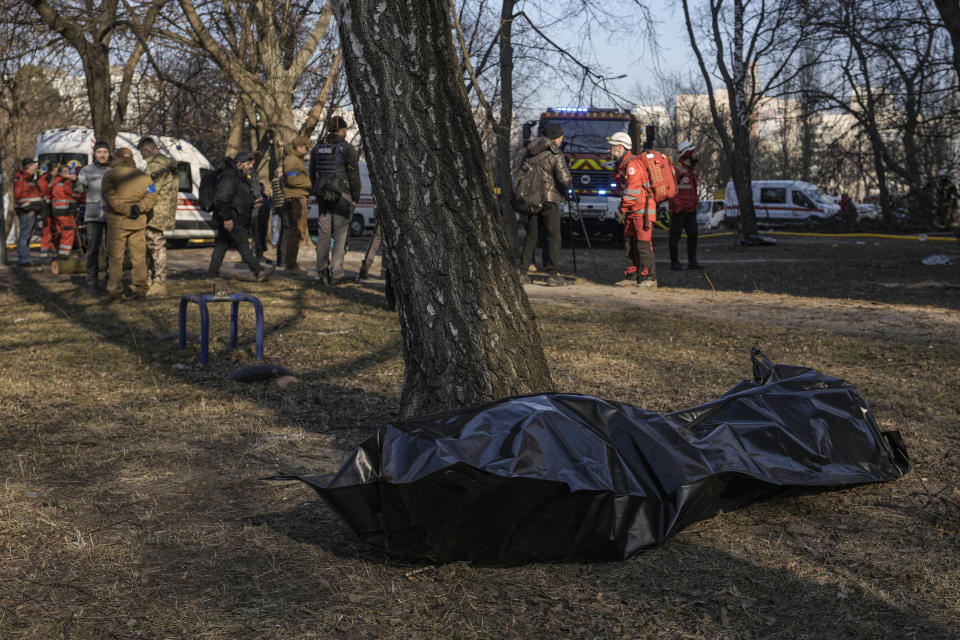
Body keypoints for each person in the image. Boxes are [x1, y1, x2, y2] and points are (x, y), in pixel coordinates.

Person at [206, 151, 275, 281]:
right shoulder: (229, 177)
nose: (251, 166)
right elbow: (221, 199)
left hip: (233, 217)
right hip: (231, 218)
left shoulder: (238, 177)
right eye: (248, 164)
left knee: (222, 245)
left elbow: (238, 198)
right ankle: (258, 272)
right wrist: (227, 218)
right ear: (239, 164)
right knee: (243, 244)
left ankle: (211, 275)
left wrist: (251, 205)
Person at [518, 122, 572, 287]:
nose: (562, 140)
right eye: (561, 137)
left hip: (532, 201)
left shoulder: (529, 152)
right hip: (550, 200)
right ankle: (553, 274)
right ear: (556, 138)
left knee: (531, 237)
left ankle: (522, 272)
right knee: (553, 237)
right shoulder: (556, 155)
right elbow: (565, 180)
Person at [311, 115, 361, 285]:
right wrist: (355, 197)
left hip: (323, 195)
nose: (346, 132)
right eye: (345, 129)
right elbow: (354, 175)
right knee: (340, 233)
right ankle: (337, 272)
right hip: (342, 196)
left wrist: (316, 191)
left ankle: (322, 272)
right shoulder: (346, 148)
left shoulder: (318, 147)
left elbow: (312, 171)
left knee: (323, 234)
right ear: (341, 130)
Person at [102, 148, 157, 299]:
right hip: (138, 222)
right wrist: (138, 208)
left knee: (115, 258)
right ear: (132, 158)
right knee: (139, 257)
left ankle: (115, 290)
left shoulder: (110, 174)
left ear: (117, 157)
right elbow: (152, 197)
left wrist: (125, 209)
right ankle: (140, 289)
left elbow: (108, 196)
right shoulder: (145, 177)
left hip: (117, 222)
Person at [608, 131, 656, 288]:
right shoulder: (623, 165)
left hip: (642, 211)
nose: (609, 151)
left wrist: (622, 209)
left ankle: (650, 278)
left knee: (643, 244)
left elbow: (633, 192)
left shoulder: (632, 166)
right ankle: (631, 276)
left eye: (612, 147)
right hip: (632, 211)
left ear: (620, 148)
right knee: (629, 243)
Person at [137, 137, 180, 298]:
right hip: (163, 211)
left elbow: (148, 188)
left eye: (142, 154)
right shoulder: (169, 165)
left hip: (153, 211)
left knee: (155, 246)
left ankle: (159, 282)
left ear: (147, 150)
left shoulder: (156, 166)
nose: (142, 157)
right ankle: (154, 281)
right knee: (155, 246)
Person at [76, 141, 112, 292]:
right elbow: (80, 186)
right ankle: (92, 281)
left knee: (113, 250)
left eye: (105, 152)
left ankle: (111, 280)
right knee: (92, 249)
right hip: (93, 216)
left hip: (112, 215)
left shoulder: (114, 170)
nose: (102, 155)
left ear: (109, 154)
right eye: (99, 152)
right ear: (94, 154)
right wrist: (77, 186)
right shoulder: (86, 170)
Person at [668, 141, 703, 271]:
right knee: (675, 236)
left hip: (691, 209)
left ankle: (692, 261)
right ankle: (675, 262)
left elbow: (692, 189)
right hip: (679, 210)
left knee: (693, 235)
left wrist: (696, 202)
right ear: (687, 153)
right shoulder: (677, 169)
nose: (697, 154)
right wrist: (678, 207)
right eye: (694, 152)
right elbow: (672, 190)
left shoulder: (692, 170)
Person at [281, 135, 312, 275]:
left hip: (298, 198)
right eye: (306, 148)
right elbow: (292, 179)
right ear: (299, 147)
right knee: (296, 232)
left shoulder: (296, 159)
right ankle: (290, 266)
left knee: (299, 232)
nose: (307, 152)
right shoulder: (292, 160)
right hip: (295, 199)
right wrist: (310, 183)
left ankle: (292, 263)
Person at [12, 158, 44, 266]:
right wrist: (29, 209)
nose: (36, 167)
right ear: (28, 167)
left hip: (32, 211)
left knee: (28, 236)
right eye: (34, 165)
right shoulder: (21, 177)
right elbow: (19, 195)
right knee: (24, 236)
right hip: (27, 212)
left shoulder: (29, 178)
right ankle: (23, 259)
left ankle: (26, 259)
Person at [48, 164, 78, 258]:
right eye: (65, 172)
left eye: (68, 172)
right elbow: (71, 194)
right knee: (68, 232)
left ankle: (57, 252)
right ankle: (64, 255)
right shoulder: (65, 181)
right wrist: (78, 195)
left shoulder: (53, 180)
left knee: (59, 233)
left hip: (55, 211)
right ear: (60, 173)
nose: (67, 174)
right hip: (65, 211)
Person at [36, 163, 55, 259]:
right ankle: (44, 255)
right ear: (54, 169)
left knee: (51, 231)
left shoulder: (48, 177)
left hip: (51, 208)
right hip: (46, 208)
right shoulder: (45, 178)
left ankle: (51, 253)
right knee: (46, 231)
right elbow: (44, 193)